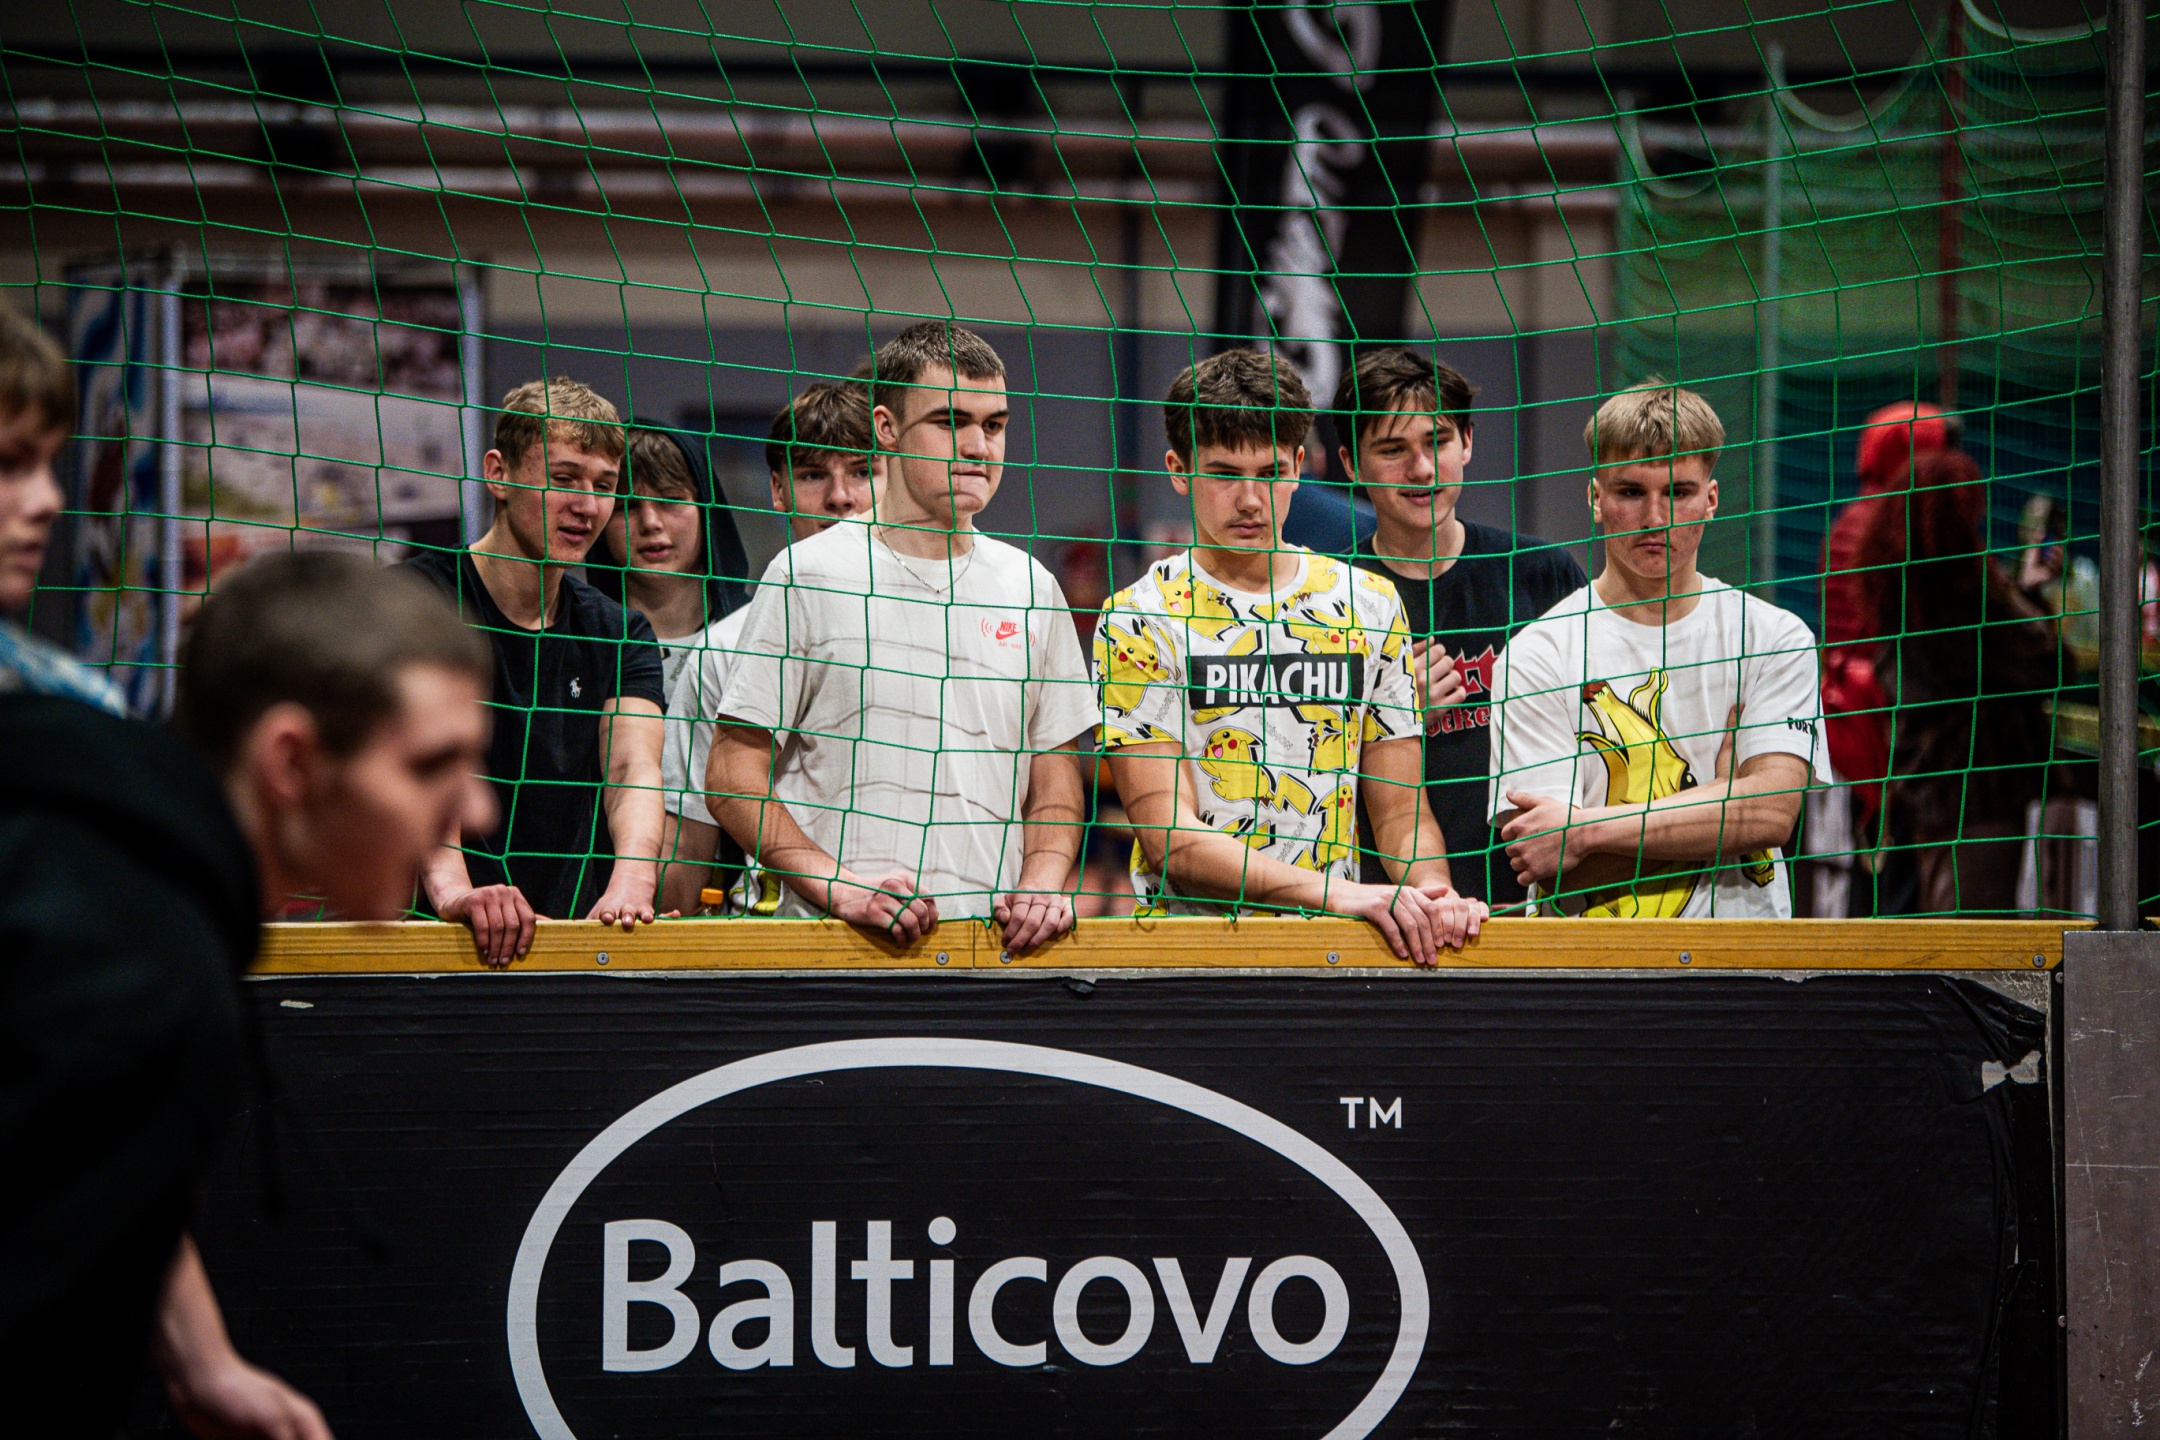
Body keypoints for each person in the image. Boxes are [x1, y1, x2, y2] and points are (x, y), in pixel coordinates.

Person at [2, 303, 492, 1440]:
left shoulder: (86, 764)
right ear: (289, 761)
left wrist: (200, 1357)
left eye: (48, 461)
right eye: (431, 765)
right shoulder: (125, 962)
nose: (474, 810)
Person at [707, 323, 1095, 950]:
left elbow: (1055, 778)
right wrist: (838, 887)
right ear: (886, 428)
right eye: (950, 422)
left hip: (988, 952)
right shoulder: (808, 573)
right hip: (832, 950)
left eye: (994, 425)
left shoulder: (1030, 586)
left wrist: (1042, 884)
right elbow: (732, 775)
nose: (978, 446)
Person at [1093, 347, 1485, 965]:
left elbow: (1402, 815)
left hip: (1335, 952)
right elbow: (1171, 838)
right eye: (1225, 473)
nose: (1251, 499)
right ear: (1178, 468)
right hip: (1187, 956)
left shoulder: (1369, 603)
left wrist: (1434, 894)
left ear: (1301, 464)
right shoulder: (1138, 618)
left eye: (1271, 471)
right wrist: (1342, 895)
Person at [1489, 380, 1829, 917]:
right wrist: (1723, 794)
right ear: (1594, 498)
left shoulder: (1774, 638)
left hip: (1744, 956)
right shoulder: (1537, 655)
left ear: (1711, 500)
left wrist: (1587, 830)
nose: (1655, 517)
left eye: (1678, 492)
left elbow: (1769, 816)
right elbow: (1546, 855)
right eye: (1630, 492)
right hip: (1587, 959)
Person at [403, 378, 667, 963]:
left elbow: (632, 767)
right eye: (564, 478)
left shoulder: (620, 631)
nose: (587, 506)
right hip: (431, 943)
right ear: (498, 474)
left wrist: (631, 886)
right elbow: (414, 759)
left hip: (571, 945)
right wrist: (454, 892)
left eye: (604, 486)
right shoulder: (420, 599)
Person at [1336, 347, 1586, 908]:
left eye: (1438, 442)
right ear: (1351, 463)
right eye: (1393, 450)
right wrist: (1394, 720)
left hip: (1537, 904)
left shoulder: (1541, 574)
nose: (1422, 469)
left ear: (1467, 442)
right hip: (1388, 910)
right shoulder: (1330, 600)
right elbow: (1300, 770)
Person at [656, 382, 877, 916]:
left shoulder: (946, 627)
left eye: (862, 472)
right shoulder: (722, 651)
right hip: (774, 937)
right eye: (813, 475)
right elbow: (688, 848)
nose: (840, 497)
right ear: (777, 490)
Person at [1856, 447, 2061, 913]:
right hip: (1978, 790)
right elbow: (2049, 662)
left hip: (1926, 784)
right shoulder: (1967, 592)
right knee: (1976, 925)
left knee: (1945, 914)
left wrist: (2019, 589)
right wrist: (2028, 595)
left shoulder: (1905, 583)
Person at [588, 423, 752, 696]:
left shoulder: (760, 632)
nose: (650, 523)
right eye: (627, 506)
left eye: (670, 500)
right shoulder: (574, 638)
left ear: (706, 510)